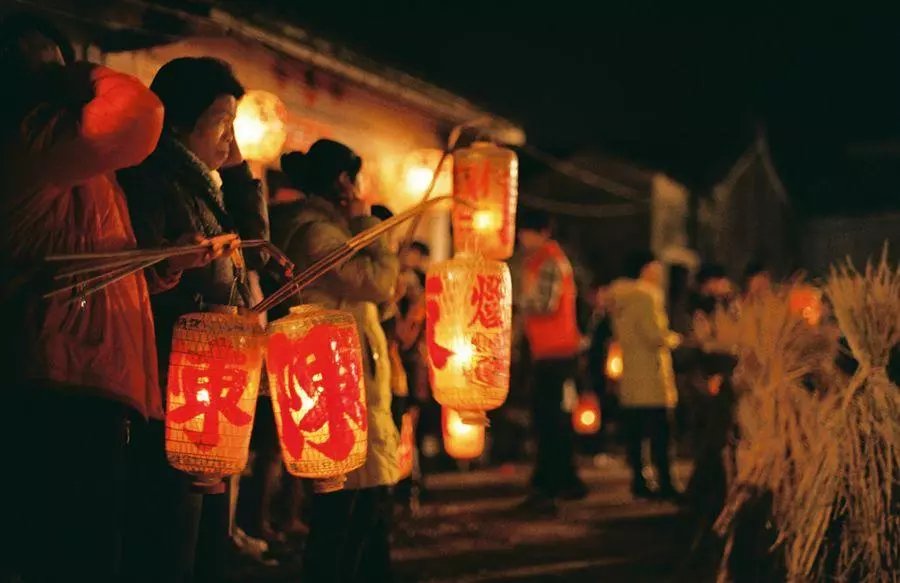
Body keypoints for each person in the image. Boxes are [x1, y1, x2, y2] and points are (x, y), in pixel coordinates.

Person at [0, 12, 211, 581]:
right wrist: (69, 75)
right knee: (71, 556)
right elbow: (139, 114)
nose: (60, 79)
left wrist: (166, 263)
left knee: (91, 552)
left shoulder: (70, 159)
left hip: (89, 379)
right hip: (56, 384)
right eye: (42, 66)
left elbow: (100, 262)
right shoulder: (30, 140)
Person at [118, 56, 269, 581]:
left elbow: (256, 245)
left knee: (202, 532)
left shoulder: (206, 183)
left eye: (233, 123)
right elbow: (139, 271)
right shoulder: (154, 179)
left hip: (210, 382)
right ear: (179, 120)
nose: (229, 136)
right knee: (169, 535)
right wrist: (171, 263)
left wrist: (237, 163)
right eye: (220, 121)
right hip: (172, 377)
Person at [276, 141, 400, 583]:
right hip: (337, 378)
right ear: (343, 183)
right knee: (344, 505)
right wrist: (368, 221)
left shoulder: (328, 230)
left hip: (350, 373)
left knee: (362, 500)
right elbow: (379, 283)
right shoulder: (317, 234)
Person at [516, 209, 587, 510]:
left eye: (527, 231)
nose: (521, 238)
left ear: (543, 232)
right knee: (552, 420)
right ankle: (561, 481)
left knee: (550, 422)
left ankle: (552, 486)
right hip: (551, 351)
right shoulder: (540, 261)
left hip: (555, 353)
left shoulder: (548, 262)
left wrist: (510, 299)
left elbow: (544, 304)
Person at [609, 250, 682, 500]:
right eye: (656, 267)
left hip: (631, 373)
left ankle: (639, 480)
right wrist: (676, 339)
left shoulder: (618, 297)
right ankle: (665, 482)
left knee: (636, 434)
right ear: (646, 268)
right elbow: (655, 336)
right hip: (652, 375)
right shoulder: (647, 296)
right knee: (661, 434)